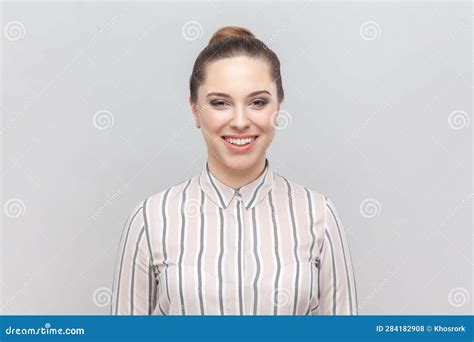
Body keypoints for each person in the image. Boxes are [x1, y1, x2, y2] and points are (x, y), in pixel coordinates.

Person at [110, 26, 358, 315]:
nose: (240, 121)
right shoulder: (151, 219)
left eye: (257, 102)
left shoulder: (319, 215)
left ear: (278, 106)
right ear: (195, 110)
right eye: (220, 103)